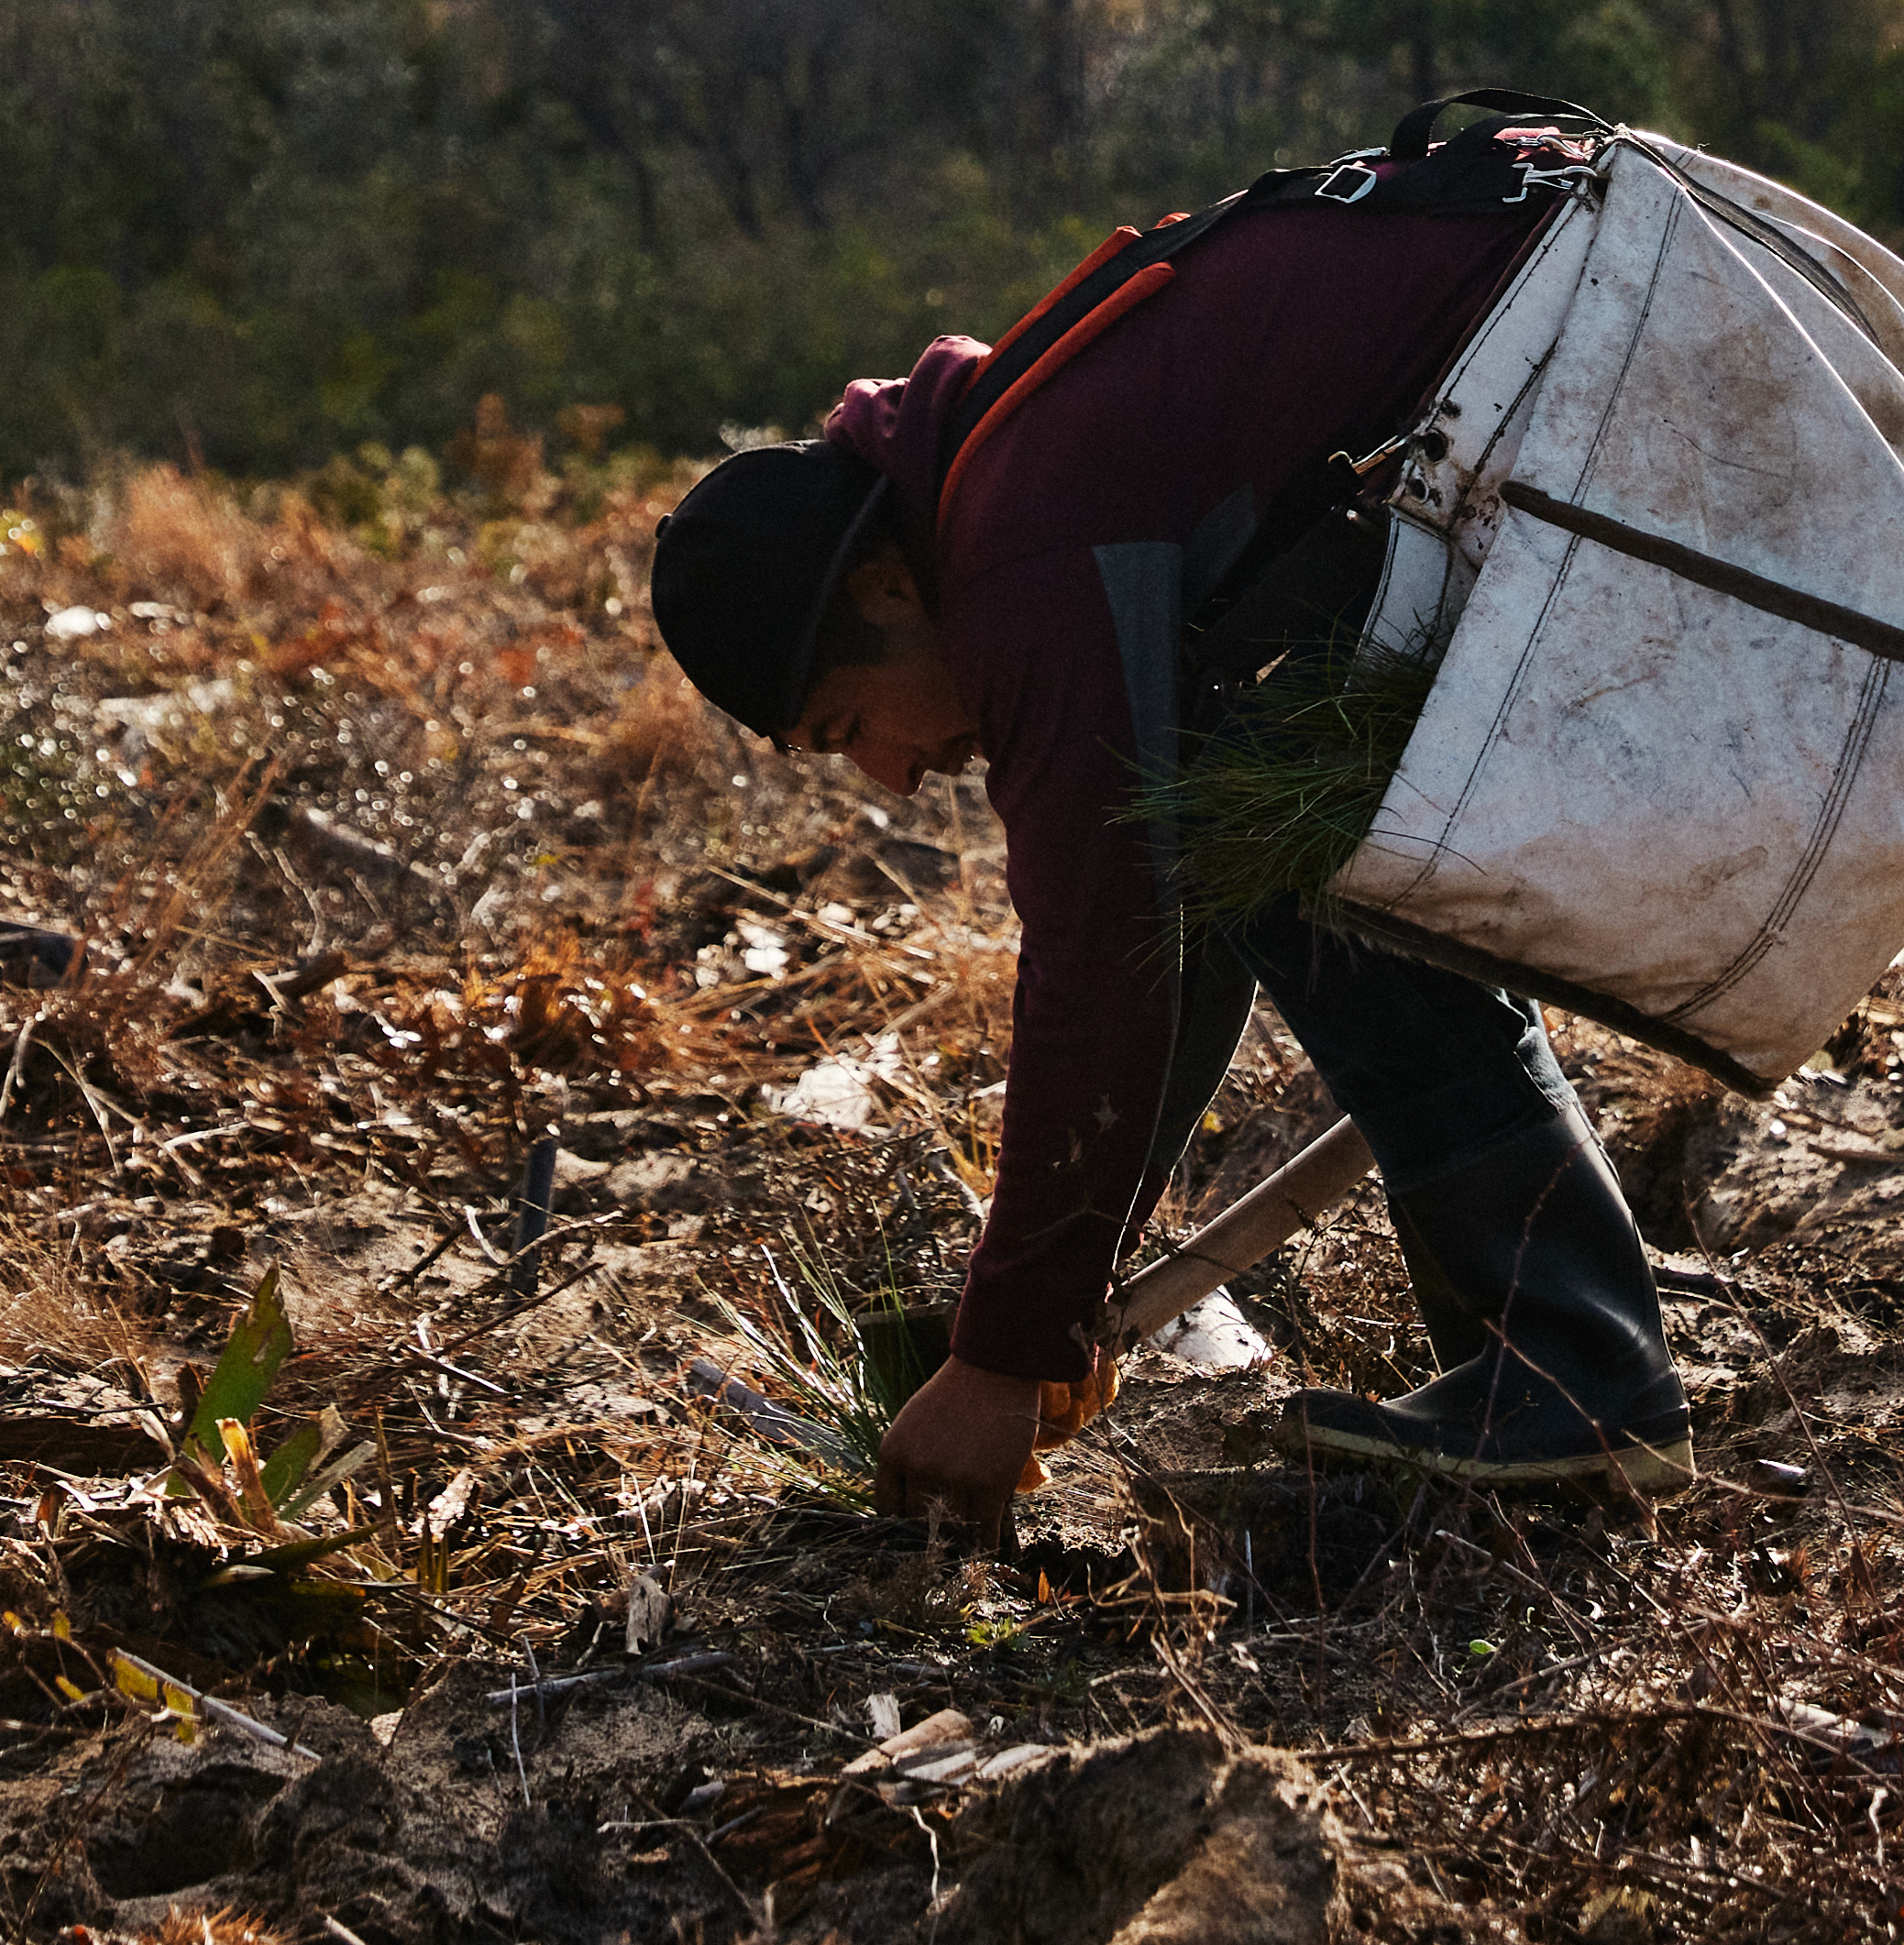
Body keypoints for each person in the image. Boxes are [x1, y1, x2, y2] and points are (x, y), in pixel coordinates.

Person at [639, 131, 1689, 1519]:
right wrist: (1057, 1302)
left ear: (890, 589)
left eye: (848, 727)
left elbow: (1109, 956)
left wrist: (1005, 1357)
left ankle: (1568, 1380)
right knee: (1253, 839)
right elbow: (1168, 925)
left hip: (1654, 380)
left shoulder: (1022, 546)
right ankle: (1546, 1376)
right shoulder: (1003, 469)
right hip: (1612, 346)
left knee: (1288, 858)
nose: (890, 778)